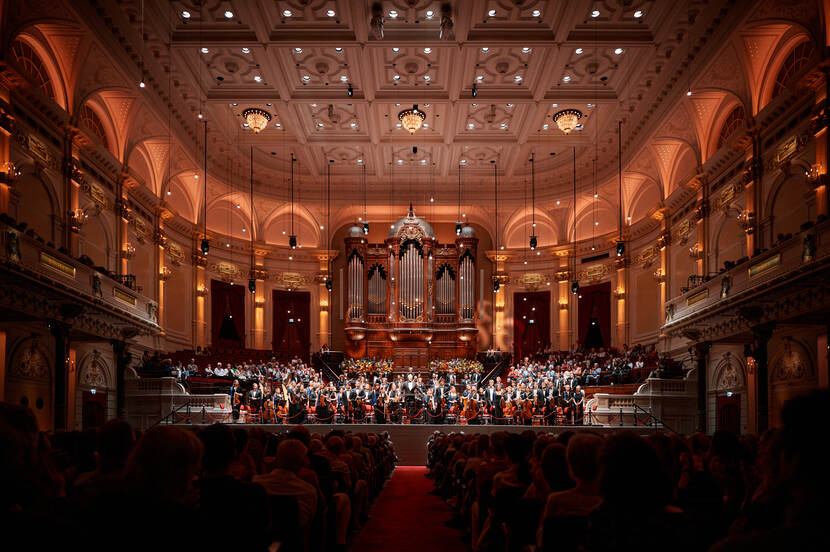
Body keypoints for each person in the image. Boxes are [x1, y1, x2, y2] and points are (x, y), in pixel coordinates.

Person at [254, 438, 318, 529]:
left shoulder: (254, 484)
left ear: (276, 459)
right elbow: (308, 524)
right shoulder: (308, 492)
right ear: (302, 463)